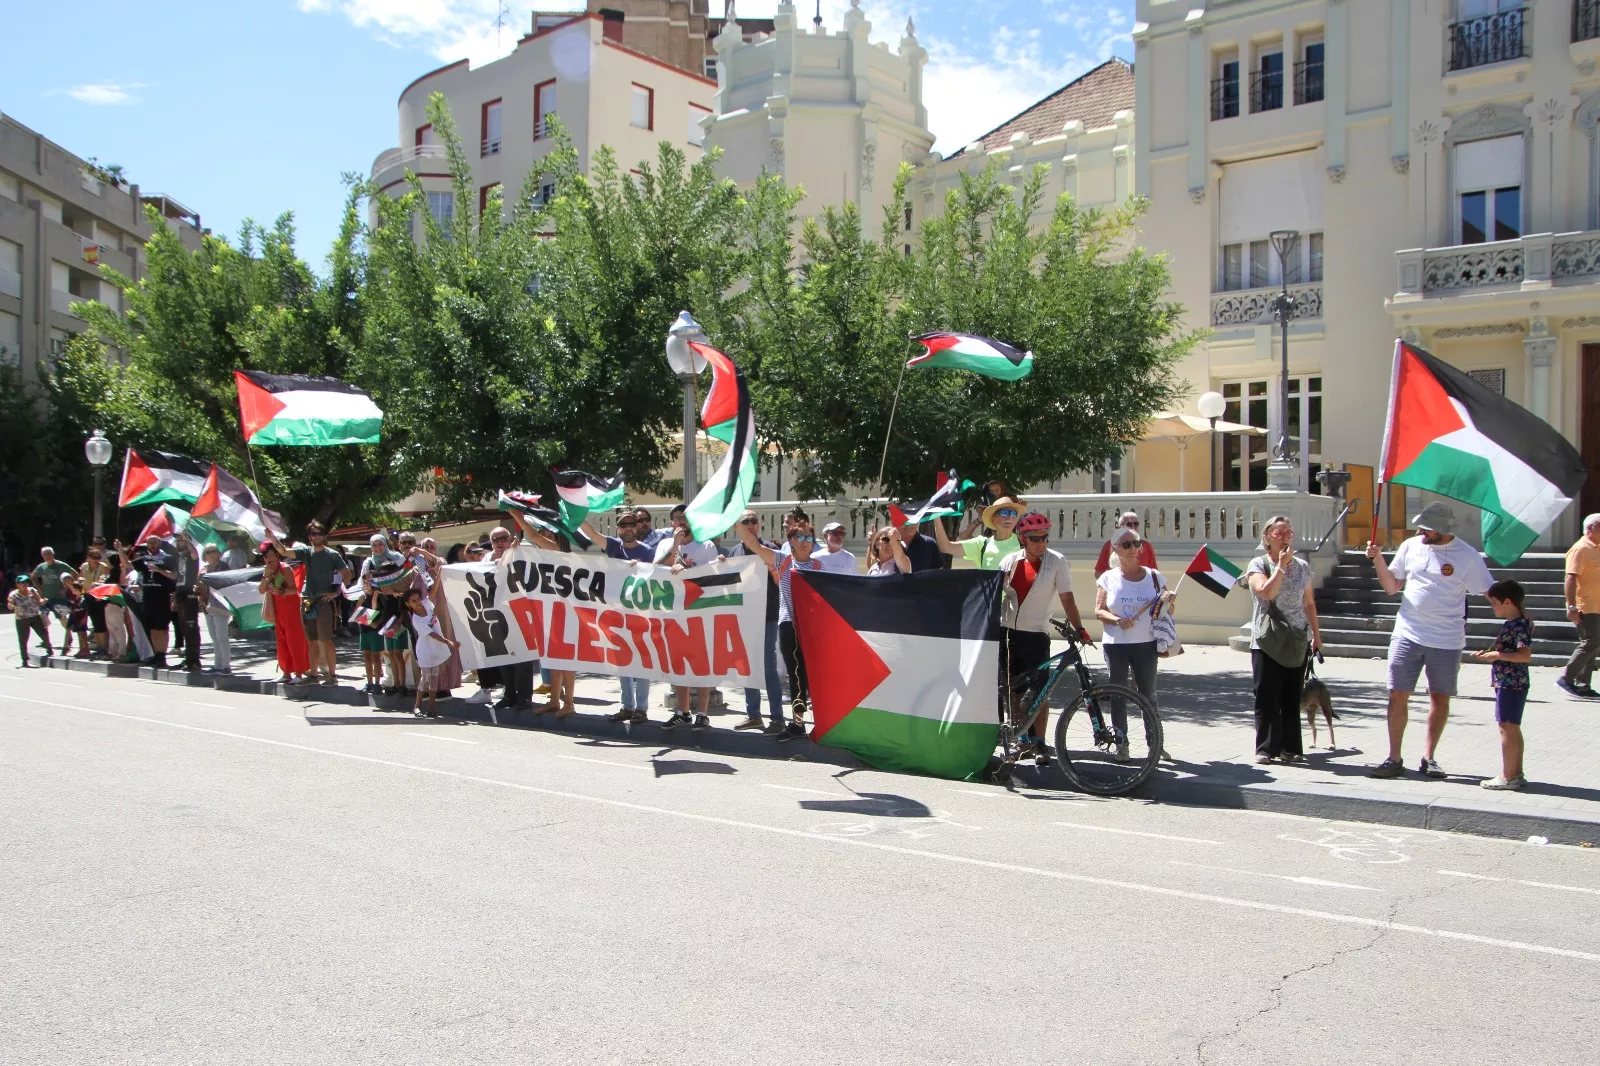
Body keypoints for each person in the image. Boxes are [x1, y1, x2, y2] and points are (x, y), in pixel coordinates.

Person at [1365, 502, 1494, 779]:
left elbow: (1488, 590)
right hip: (1407, 633)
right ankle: (1394, 757)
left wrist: (1516, 614)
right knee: (1397, 693)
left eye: (1427, 526)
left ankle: (1429, 757)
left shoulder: (1467, 555)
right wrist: (1378, 559)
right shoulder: (1412, 546)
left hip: (1447, 639)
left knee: (1440, 697)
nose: (1420, 530)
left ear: (1444, 529)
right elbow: (1391, 587)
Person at [998, 513, 1087, 763]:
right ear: (1022, 539)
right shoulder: (1009, 561)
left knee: (1040, 691)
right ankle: (1020, 739)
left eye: (1045, 537)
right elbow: (997, 596)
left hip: (1037, 634)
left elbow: (1067, 598)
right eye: (1035, 538)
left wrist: (1079, 628)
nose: (1041, 543)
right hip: (1009, 634)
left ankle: (1039, 742)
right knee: (1014, 690)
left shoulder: (1057, 561)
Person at [735, 516, 821, 741]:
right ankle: (798, 723)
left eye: (808, 537)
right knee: (796, 676)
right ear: (791, 540)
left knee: (816, 676)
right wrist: (737, 524)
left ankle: (823, 723)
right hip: (788, 625)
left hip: (814, 629)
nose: (804, 541)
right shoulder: (782, 560)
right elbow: (754, 545)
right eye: (799, 537)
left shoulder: (821, 566)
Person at [1245, 515, 1321, 765]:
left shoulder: (1302, 566)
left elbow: (1309, 603)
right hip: (1267, 639)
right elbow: (1266, 591)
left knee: (1291, 695)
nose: (1285, 537)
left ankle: (1290, 748)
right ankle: (1266, 748)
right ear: (1267, 538)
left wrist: (1317, 637)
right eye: (1279, 533)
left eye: (1289, 533)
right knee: (1266, 695)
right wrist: (1280, 566)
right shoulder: (1258, 564)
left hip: (1296, 636)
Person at [1094, 527, 1173, 761]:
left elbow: (1167, 608)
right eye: (1126, 544)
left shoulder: (1154, 577)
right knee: (1118, 693)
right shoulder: (1108, 578)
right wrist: (1117, 620)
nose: (1132, 548)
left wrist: (1169, 600)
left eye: (1136, 543)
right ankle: (1121, 743)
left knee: (1148, 694)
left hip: (1146, 644)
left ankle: (1155, 745)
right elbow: (1098, 611)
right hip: (1116, 644)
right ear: (1115, 549)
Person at [585, 510, 657, 723]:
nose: (628, 528)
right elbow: (590, 533)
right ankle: (627, 706)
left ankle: (641, 709)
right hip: (618, 613)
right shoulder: (614, 547)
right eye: (623, 524)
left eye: (631, 524)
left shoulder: (648, 552)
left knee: (643, 660)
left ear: (637, 527)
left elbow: (659, 572)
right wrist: (576, 512)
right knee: (622, 660)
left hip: (642, 614)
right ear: (618, 529)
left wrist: (643, 569)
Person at [1473, 580, 1534, 791]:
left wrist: (1497, 655)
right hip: (1509, 681)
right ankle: (1515, 773)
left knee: (1506, 727)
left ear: (1508, 602)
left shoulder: (1519, 625)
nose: (1493, 607)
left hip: (1511, 681)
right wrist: (1492, 655)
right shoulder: (1516, 623)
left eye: (1494, 602)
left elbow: (1524, 656)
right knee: (1511, 726)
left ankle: (1508, 775)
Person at [727, 512, 785, 732]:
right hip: (744, 617)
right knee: (746, 666)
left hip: (768, 616)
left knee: (768, 667)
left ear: (759, 525)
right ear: (738, 527)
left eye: (753, 521)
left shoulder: (770, 548)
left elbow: (780, 579)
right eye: (745, 522)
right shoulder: (734, 551)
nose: (750, 525)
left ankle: (777, 718)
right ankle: (753, 715)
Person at [276, 521, 352, 686]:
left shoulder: (332, 555)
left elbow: (347, 574)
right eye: (313, 534)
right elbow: (283, 551)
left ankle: (332, 676)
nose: (316, 537)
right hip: (307, 601)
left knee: (326, 641)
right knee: (311, 641)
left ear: (324, 536)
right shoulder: (306, 552)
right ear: (309, 536)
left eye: (319, 534)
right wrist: (272, 538)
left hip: (323, 602)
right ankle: (314, 675)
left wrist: (336, 593)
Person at [1559, 513, 1600, 698]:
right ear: (1590, 528)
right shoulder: (1581, 548)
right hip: (1586, 606)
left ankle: (1583, 685)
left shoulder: (1596, 548)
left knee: (1594, 645)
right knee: (1591, 642)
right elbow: (1570, 578)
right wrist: (1571, 606)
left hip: (1597, 605)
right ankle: (1566, 678)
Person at [259, 541, 312, 684]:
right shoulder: (268, 571)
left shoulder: (286, 569)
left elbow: (295, 590)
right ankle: (286, 672)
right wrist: (265, 576)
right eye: (265, 557)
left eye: (269, 555)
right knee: (282, 642)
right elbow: (261, 590)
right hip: (279, 612)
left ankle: (300, 673)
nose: (267, 559)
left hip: (292, 611)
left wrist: (281, 591)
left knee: (295, 642)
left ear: (276, 554)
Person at [405, 586, 460, 719]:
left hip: (437, 649)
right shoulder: (416, 620)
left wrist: (438, 576)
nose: (417, 602)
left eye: (418, 599)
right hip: (425, 651)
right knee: (426, 678)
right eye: (413, 601)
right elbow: (432, 635)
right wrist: (448, 642)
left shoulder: (426, 604)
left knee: (435, 679)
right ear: (408, 604)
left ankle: (431, 708)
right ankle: (417, 706)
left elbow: (433, 591)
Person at [932, 495, 1025, 570]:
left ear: (1016, 519)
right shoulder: (982, 544)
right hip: (989, 594)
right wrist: (936, 516)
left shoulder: (1025, 543)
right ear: (993, 519)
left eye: (1013, 514)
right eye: (1004, 513)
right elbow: (946, 547)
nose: (1009, 517)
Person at [133, 535, 177, 667]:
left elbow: (174, 575)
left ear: (160, 543)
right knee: (152, 628)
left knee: (162, 628)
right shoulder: (144, 559)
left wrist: (158, 570)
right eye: (150, 542)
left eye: (155, 542)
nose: (152, 545)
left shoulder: (168, 558)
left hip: (162, 597)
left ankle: (163, 655)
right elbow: (126, 564)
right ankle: (156, 654)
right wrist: (120, 550)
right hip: (148, 597)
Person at [196, 544, 233, 675]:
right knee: (214, 637)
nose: (211, 554)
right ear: (204, 555)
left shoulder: (223, 567)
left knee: (222, 636)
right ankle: (218, 665)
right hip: (207, 605)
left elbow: (229, 583)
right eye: (208, 552)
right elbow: (199, 587)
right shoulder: (203, 570)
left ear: (219, 553)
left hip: (220, 605)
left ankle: (226, 666)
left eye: (214, 551)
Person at [31, 546, 78, 648]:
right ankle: (45, 640)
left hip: (59, 597)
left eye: (49, 554)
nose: (47, 556)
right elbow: (33, 576)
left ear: (53, 554)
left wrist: (67, 586)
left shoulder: (61, 565)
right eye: (44, 555)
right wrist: (38, 586)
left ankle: (68, 636)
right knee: (43, 620)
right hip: (45, 598)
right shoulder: (42, 567)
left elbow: (75, 574)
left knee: (63, 618)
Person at [171, 534, 203, 672]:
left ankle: (194, 660)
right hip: (180, 595)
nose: (178, 543)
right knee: (183, 628)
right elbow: (176, 576)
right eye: (177, 541)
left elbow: (195, 554)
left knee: (191, 628)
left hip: (190, 596)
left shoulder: (191, 555)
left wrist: (188, 541)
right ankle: (188, 658)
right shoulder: (178, 557)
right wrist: (174, 596)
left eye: (181, 540)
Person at [1093, 512, 1159, 578]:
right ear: (1120, 527)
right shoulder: (1110, 545)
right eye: (1129, 524)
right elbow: (1098, 573)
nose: (1133, 527)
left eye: (1136, 524)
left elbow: (1155, 573)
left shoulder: (1147, 546)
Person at [656, 504, 722, 568]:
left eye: (686, 518)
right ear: (671, 523)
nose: (682, 521)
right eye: (677, 518)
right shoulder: (664, 544)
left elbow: (714, 574)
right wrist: (675, 545)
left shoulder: (707, 545)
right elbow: (654, 569)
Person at [79, 546, 114, 660]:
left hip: (100, 597)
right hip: (89, 595)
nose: (96, 560)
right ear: (88, 558)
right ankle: (99, 648)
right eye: (94, 557)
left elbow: (105, 581)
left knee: (101, 623)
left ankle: (104, 648)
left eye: (98, 557)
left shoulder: (104, 567)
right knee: (95, 623)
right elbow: (81, 578)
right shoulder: (84, 567)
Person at [8, 575, 51, 663]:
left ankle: (49, 649)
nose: (25, 584)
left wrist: (43, 601)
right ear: (18, 584)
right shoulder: (14, 594)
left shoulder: (32, 590)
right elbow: (11, 604)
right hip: (21, 619)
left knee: (43, 634)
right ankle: (24, 659)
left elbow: (40, 601)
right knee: (23, 639)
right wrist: (11, 606)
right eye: (22, 583)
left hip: (35, 617)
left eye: (26, 582)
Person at [61, 578, 91, 658]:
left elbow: (86, 610)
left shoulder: (83, 598)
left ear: (78, 589)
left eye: (74, 589)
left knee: (83, 634)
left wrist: (85, 619)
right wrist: (70, 610)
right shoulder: (75, 598)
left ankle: (86, 650)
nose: (72, 591)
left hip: (82, 618)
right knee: (79, 634)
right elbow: (73, 606)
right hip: (76, 617)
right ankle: (82, 649)